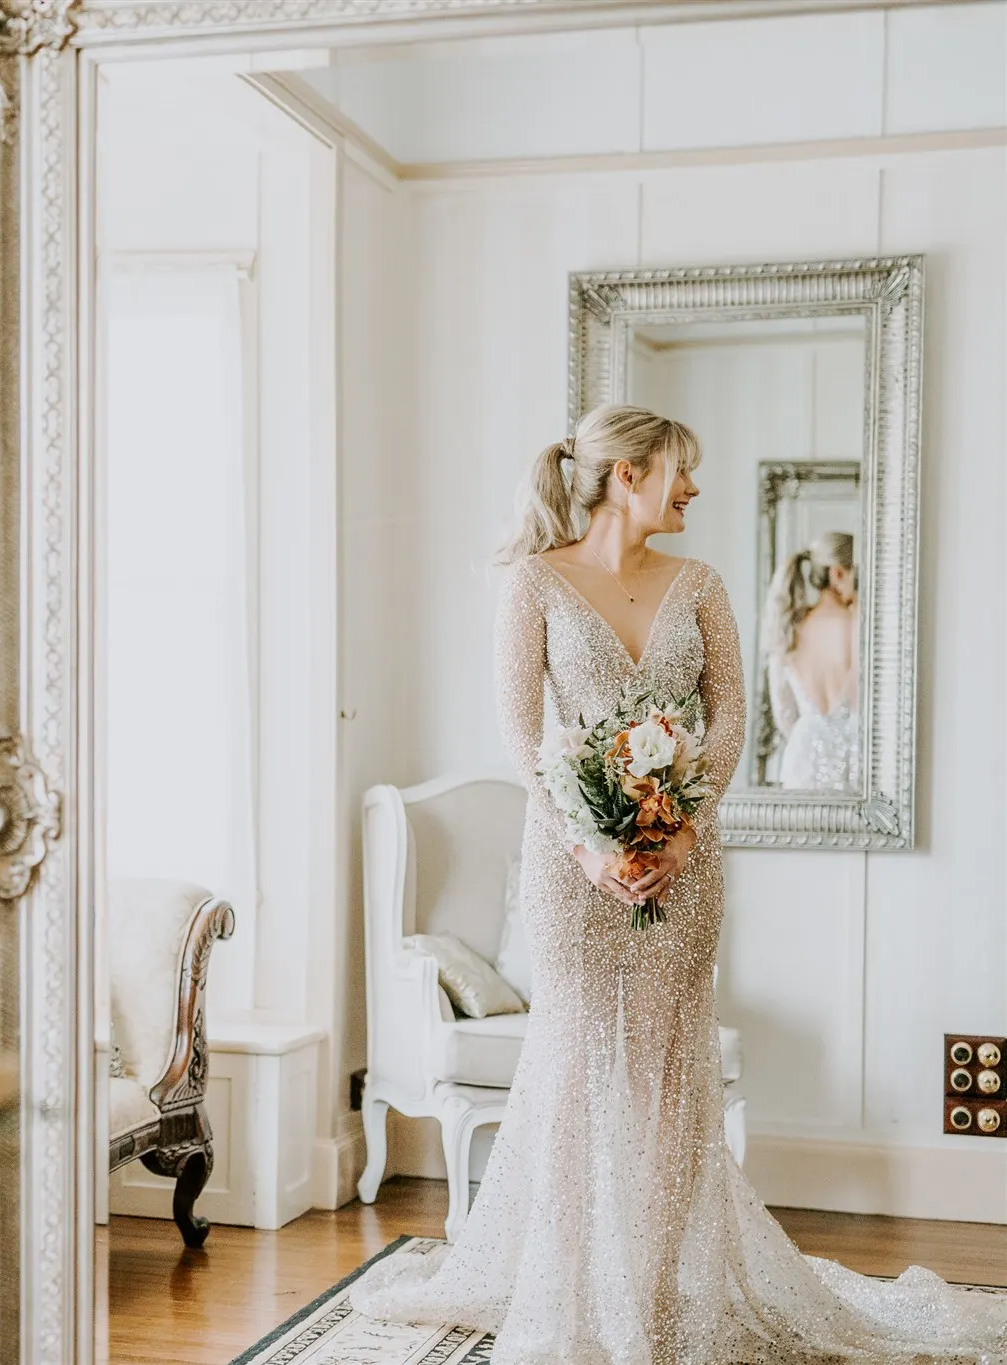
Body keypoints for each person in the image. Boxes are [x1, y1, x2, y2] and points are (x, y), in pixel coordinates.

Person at [350, 404, 1007, 1361]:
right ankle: (575, 1292)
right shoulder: (535, 582)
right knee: (576, 1067)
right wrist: (589, 845)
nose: (693, 489)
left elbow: (732, 716)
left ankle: (653, 1293)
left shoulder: (698, 584)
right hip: (569, 868)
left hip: (686, 863)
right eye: (680, 472)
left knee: (667, 1076)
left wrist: (683, 832)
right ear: (629, 474)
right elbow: (521, 730)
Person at [763, 531, 860, 791]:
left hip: (802, 758)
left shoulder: (788, 630)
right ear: (838, 574)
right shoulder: (860, 626)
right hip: (855, 758)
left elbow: (784, 715)